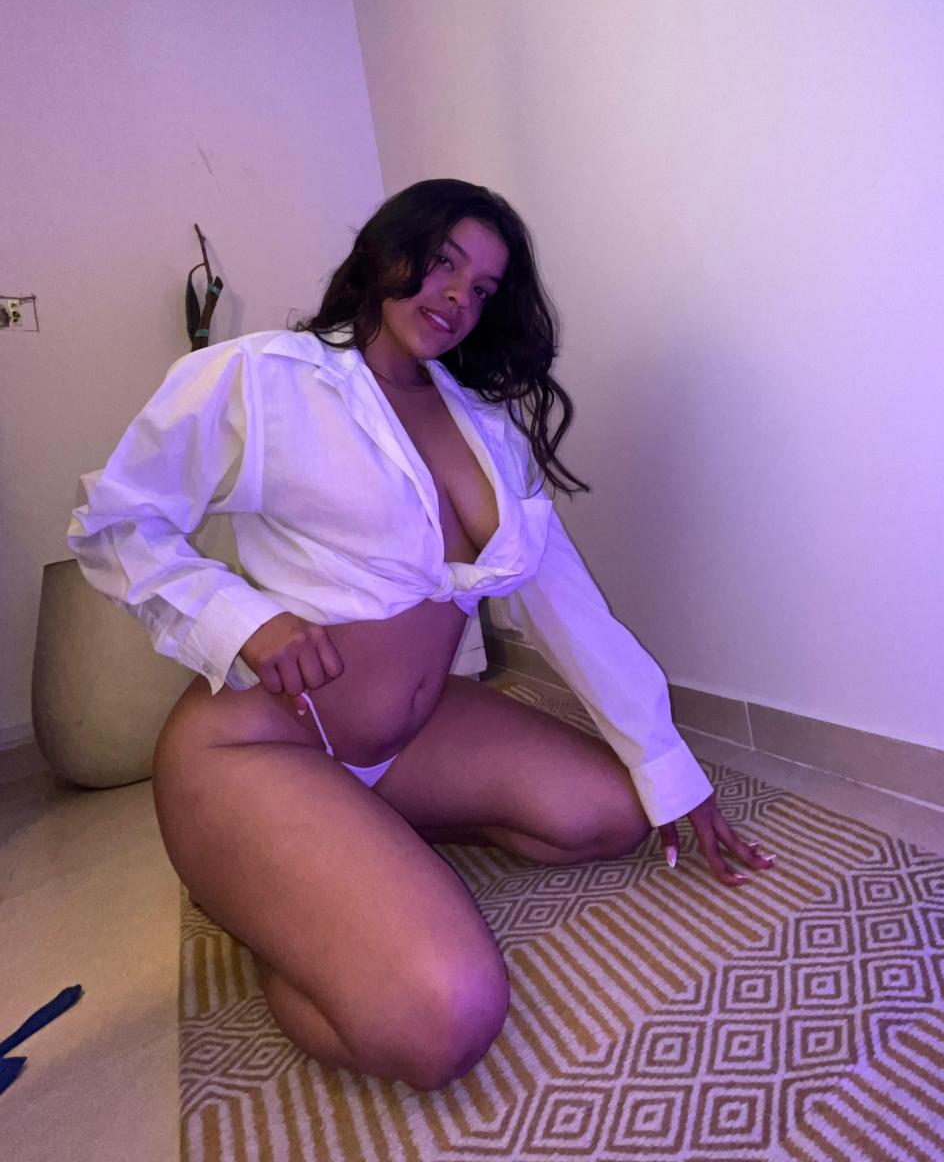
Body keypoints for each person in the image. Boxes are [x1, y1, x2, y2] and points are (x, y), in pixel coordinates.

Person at [68, 178, 776, 1091]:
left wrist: (668, 764)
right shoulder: (264, 376)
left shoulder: (482, 422)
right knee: (445, 1019)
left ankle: (355, 848)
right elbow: (118, 523)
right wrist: (244, 620)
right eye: (442, 261)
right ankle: (274, 898)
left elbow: (566, 603)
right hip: (262, 745)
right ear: (382, 250)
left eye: (482, 287)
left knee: (614, 813)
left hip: (413, 735)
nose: (457, 296)